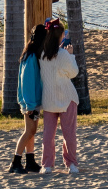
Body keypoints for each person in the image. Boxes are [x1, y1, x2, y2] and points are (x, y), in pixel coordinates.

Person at [39, 17, 79, 175]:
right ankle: (71, 164)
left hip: (49, 98)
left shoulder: (42, 54)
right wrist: (71, 55)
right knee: (69, 133)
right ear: (60, 35)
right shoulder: (63, 54)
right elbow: (73, 72)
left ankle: (47, 165)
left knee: (48, 134)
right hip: (66, 97)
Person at [9, 23, 46, 174]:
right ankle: (15, 162)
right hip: (30, 102)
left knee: (32, 131)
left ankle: (30, 160)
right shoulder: (30, 57)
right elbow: (27, 82)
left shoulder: (31, 54)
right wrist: (30, 105)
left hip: (33, 101)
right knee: (29, 131)